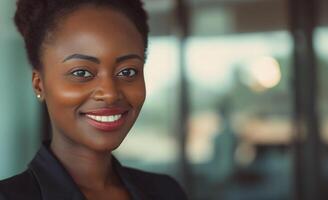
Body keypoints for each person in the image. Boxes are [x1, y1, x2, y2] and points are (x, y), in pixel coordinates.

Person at [0, 0, 188, 199]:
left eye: (127, 71)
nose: (110, 93)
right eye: (81, 72)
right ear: (39, 84)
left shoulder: (166, 191)